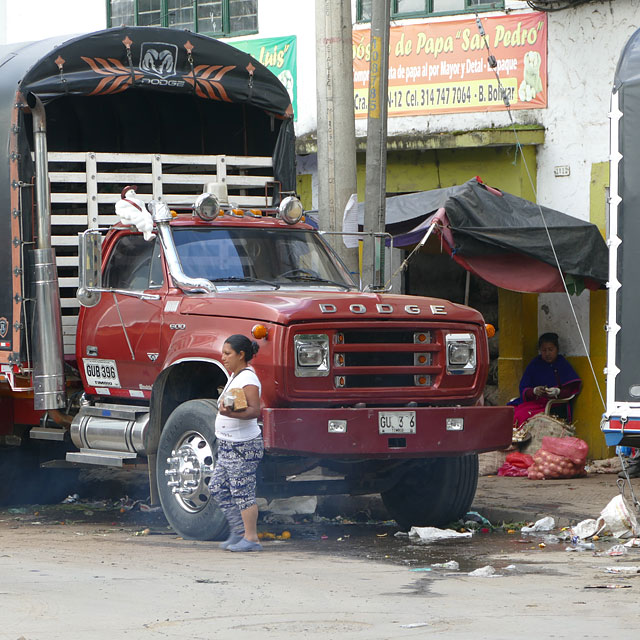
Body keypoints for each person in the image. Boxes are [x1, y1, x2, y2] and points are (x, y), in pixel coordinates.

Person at [209, 334, 264, 552]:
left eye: (227, 353)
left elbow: (254, 411)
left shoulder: (248, 379)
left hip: (243, 447)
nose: (223, 357)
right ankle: (239, 531)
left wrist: (229, 414)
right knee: (217, 487)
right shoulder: (236, 375)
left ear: (241, 355)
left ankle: (251, 538)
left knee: (243, 492)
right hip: (227, 445)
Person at [508, 332, 581, 428]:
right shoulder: (535, 364)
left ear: (557, 349)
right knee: (510, 411)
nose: (547, 353)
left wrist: (557, 391)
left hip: (553, 405)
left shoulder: (562, 364)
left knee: (523, 415)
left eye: (550, 350)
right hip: (535, 402)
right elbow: (524, 388)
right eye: (544, 350)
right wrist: (534, 391)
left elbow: (570, 389)